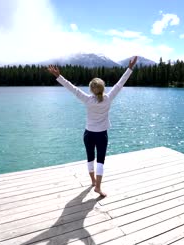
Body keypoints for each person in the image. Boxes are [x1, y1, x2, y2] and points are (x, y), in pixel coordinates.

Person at [47, 56, 138, 196]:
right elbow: (120, 84)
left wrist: (59, 76)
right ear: (103, 88)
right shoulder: (108, 98)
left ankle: (93, 182)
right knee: (100, 160)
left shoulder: (87, 100)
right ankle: (98, 187)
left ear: (91, 89)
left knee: (90, 158)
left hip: (88, 134)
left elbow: (73, 89)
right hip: (102, 135)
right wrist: (130, 68)